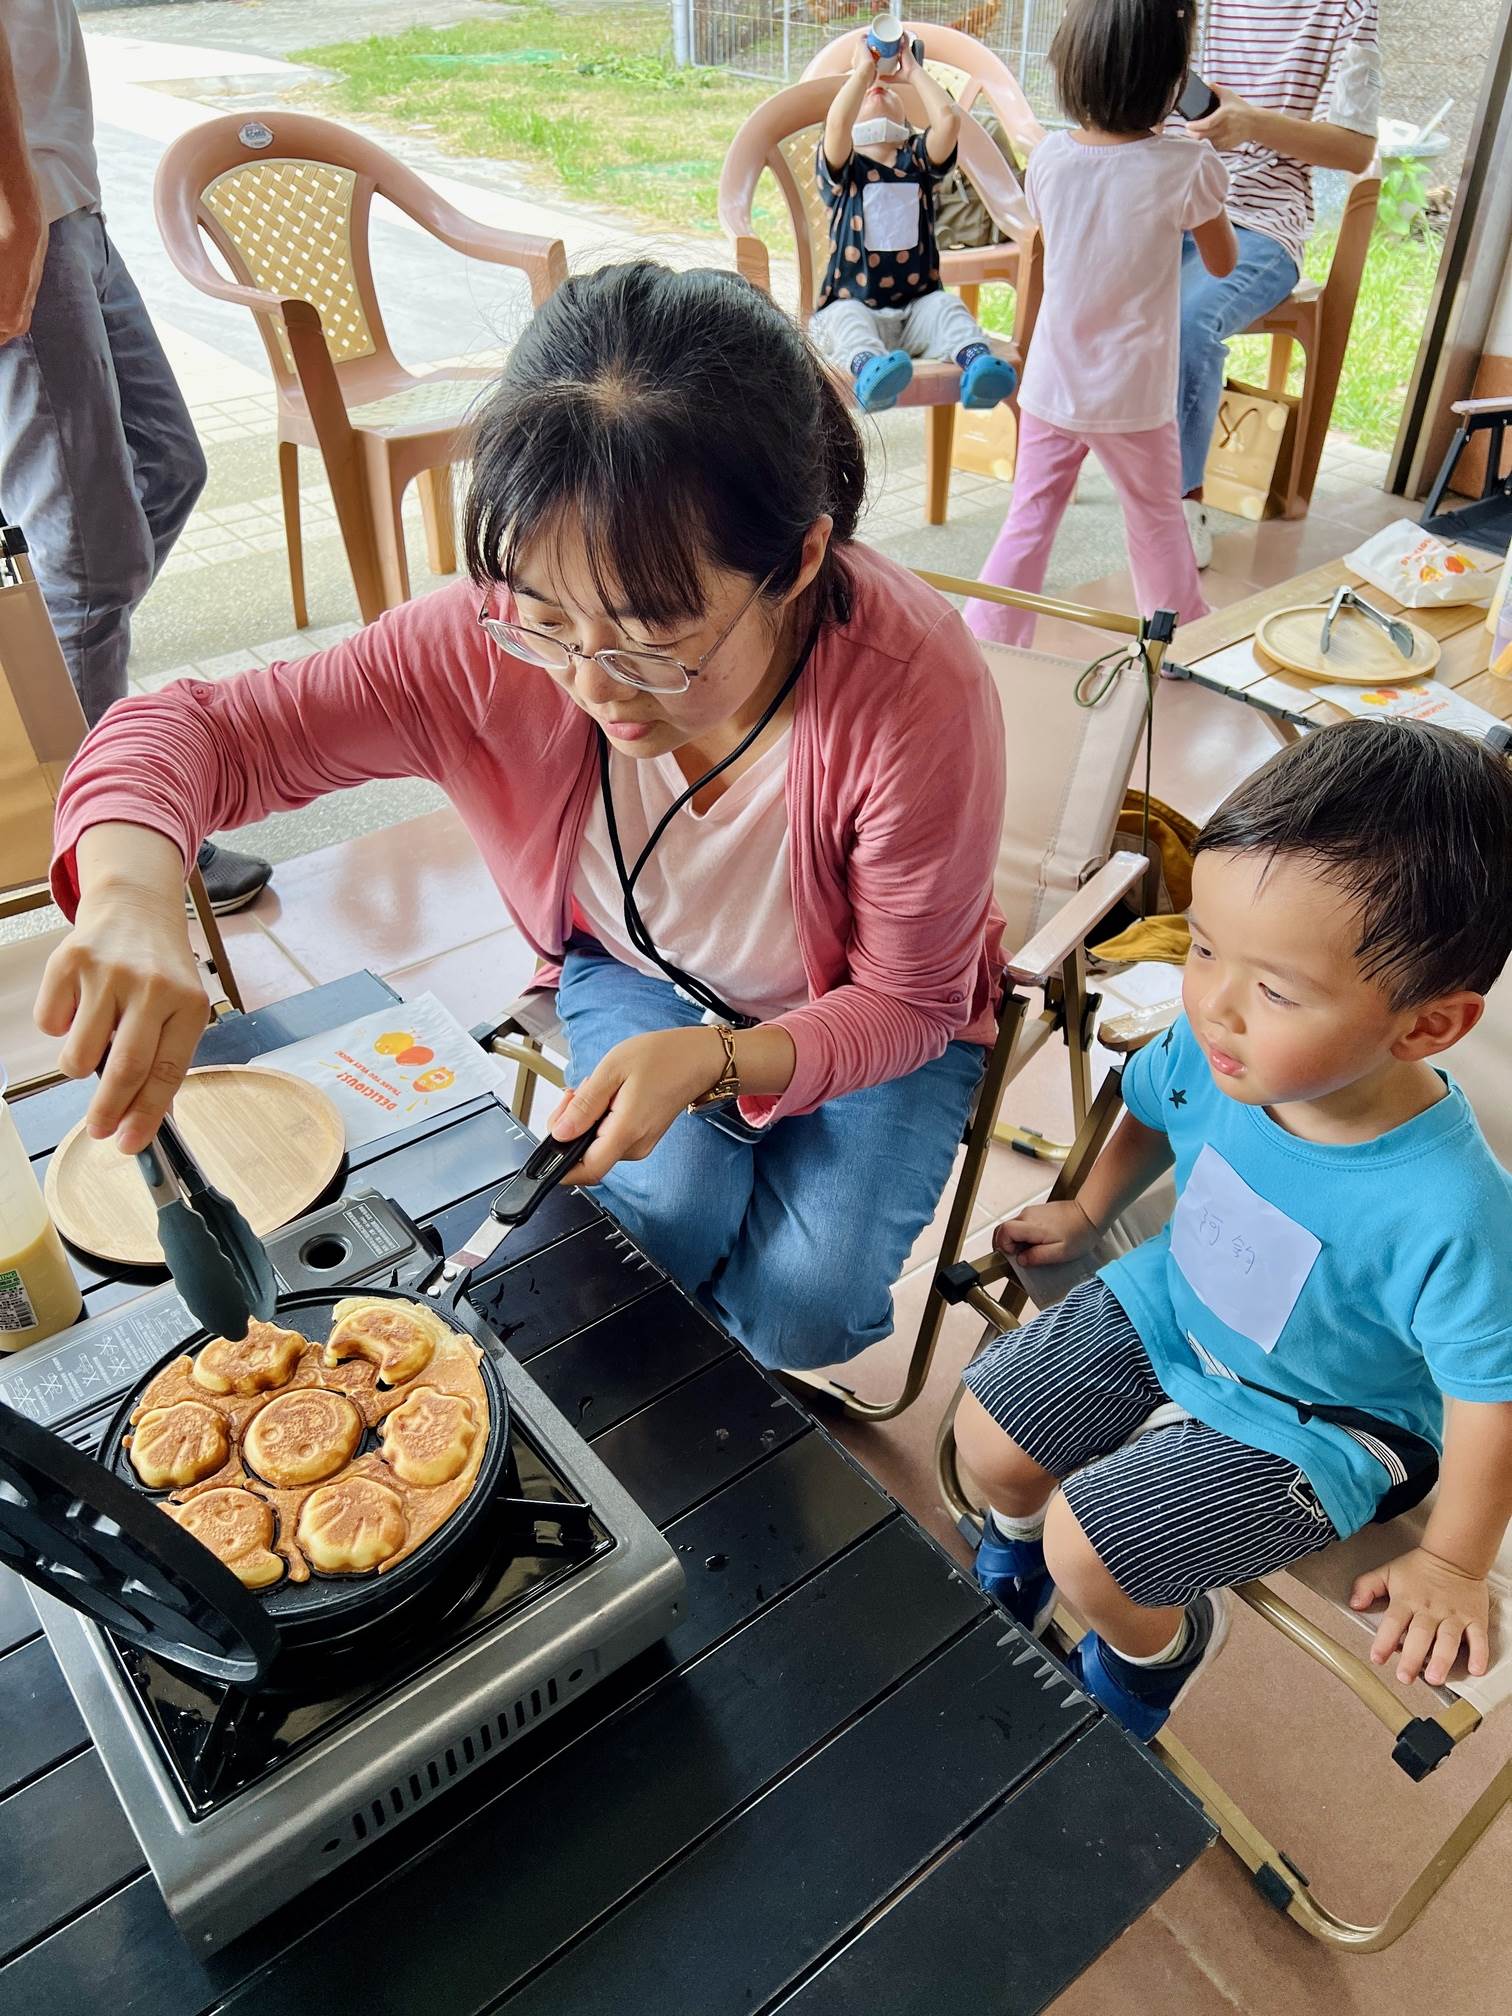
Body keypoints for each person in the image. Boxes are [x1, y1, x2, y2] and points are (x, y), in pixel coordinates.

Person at [36, 261, 1007, 1374]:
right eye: (545, 620)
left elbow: (912, 999)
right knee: (660, 1229)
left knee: (803, 1311)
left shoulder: (910, 691)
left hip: (863, 1010)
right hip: (640, 970)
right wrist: (129, 893)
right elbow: (198, 733)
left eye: (653, 637)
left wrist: (720, 1062)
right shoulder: (485, 640)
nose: (590, 683)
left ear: (797, 563)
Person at [959, 718, 1512, 1739]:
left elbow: (1493, 1399)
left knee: (1096, 1547)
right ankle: (1012, 1548)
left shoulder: (1454, 1209)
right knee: (986, 1434)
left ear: (1428, 1024)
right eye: (1204, 947)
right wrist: (1088, 1207)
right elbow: (1152, 1100)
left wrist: (1453, 1562)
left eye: (1276, 989)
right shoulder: (1221, 1050)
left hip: (1328, 1416)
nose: (1214, 1005)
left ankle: (1155, 1653)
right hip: (1182, 1302)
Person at [0, 1, 270, 913]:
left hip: (66, 202)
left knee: (169, 468)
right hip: (20, 215)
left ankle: (46, 730)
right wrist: (14, 215)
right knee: (88, 566)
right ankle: (114, 841)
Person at [963, 0, 1235, 650]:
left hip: (1053, 385)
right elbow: (1224, 262)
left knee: (1029, 521)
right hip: (1133, 398)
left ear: (1071, 68)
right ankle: (1177, 644)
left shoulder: (1049, 160)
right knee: (1156, 519)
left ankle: (987, 640)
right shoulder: (1187, 166)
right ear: (1173, 81)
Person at [1178, 0, 1380, 566]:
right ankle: (1058, 470)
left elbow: (1356, 148)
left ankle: (1181, 500)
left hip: (1259, 221)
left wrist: (1251, 123)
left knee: (1188, 323)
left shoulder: (1347, 10)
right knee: (1083, 287)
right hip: (1158, 197)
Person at [809, 39, 1018, 414]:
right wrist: (862, 72)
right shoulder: (845, 171)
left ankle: (978, 368)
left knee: (947, 308)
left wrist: (913, 72)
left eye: (890, 93)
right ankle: (870, 375)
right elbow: (837, 122)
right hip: (853, 305)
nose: (878, 89)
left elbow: (948, 121)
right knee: (846, 322)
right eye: (868, 92)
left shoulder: (918, 162)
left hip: (917, 310)